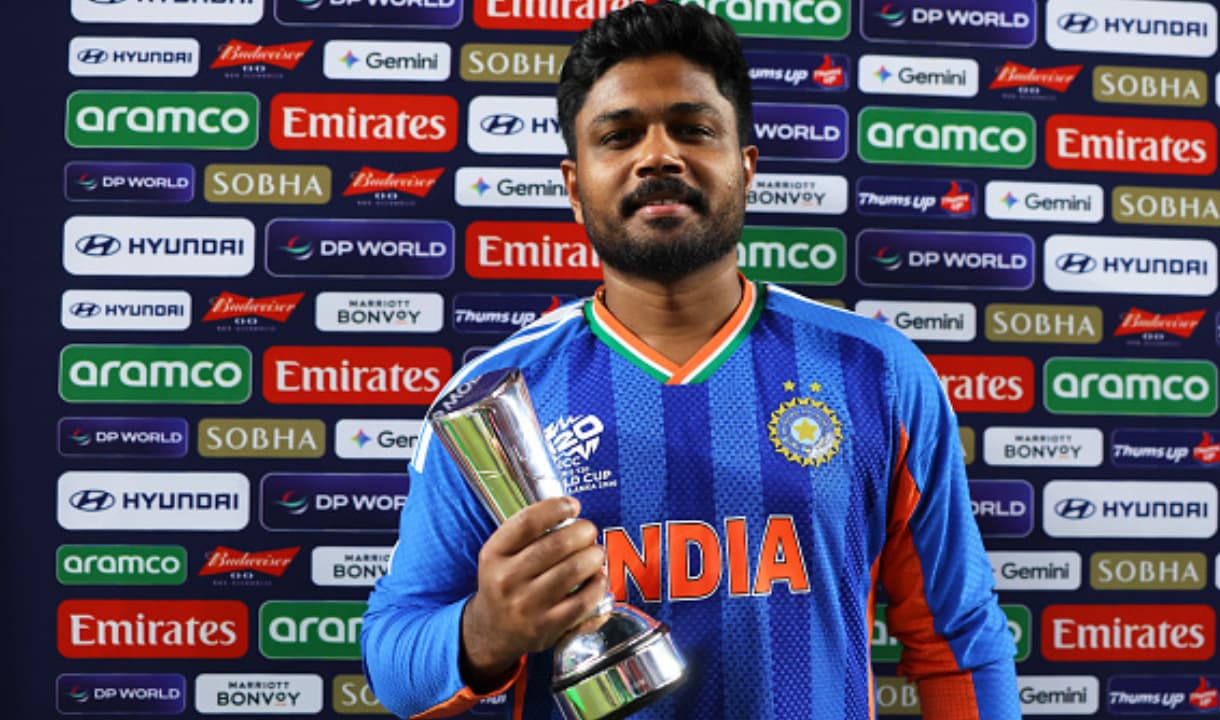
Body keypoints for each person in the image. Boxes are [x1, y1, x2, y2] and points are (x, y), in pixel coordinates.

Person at [361, 2, 1020, 717]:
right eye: (618, 136)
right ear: (574, 187)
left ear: (745, 167)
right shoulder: (490, 403)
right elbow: (395, 666)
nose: (658, 155)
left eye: (692, 129)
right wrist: (489, 629)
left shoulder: (877, 372)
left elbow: (958, 640)